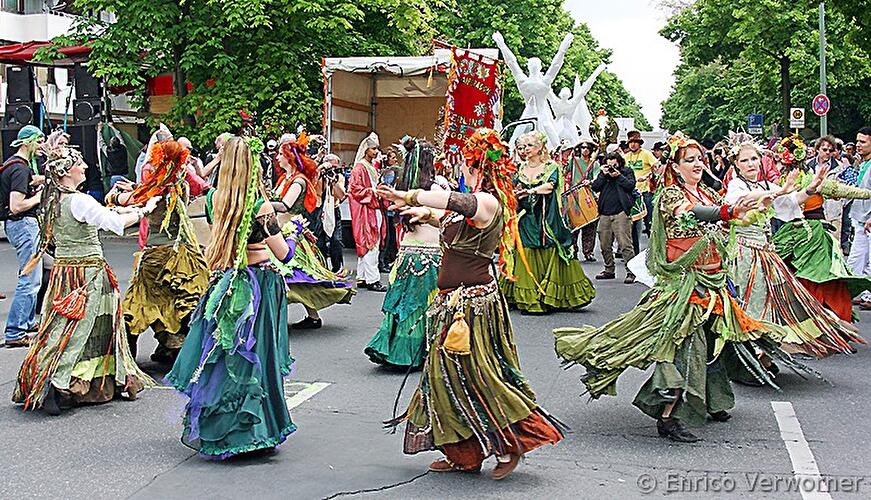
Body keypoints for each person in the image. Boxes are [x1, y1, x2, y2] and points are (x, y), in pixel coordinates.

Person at [554, 132, 796, 443]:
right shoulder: (671, 195)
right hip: (685, 286)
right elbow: (692, 213)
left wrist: (764, 201)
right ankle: (668, 416)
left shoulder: (708, 192)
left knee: (716, 342)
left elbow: (736, 218)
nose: (697, 164)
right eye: (689, 160)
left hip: (713, 281)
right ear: (676, 166)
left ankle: (714, 400)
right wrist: (728, 212)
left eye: (699, 159)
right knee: (686, 348)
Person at [378, 128, 564, 479]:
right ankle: (464, 454)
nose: (460, 168)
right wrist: (424, 215)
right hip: (452, 305)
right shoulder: (476, 204)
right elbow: (453, 219)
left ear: (476, 166)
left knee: (479, 377)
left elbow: (457, 203)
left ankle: (513, 443)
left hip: (470, 309)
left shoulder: (488, 201)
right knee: (445, 379)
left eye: (464, 163)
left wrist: (409, 194)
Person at [166, 136, 299, 459]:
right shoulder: (261, 207)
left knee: (227, 358)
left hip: (225, 283)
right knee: (258, 355)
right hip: (259, 285)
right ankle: (252, 431)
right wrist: (293, 233)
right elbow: (283, 254)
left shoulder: (214, 200)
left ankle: (220, 427)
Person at [13, 146, 157, 414]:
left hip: (64, 272)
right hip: (87, 274)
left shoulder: (53, 199)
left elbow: (101, 216)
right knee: (83, 327)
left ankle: (62, 379)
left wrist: (130, 208)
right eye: (79, 163)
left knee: (62, 327)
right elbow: (113, 223)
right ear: (67, 172)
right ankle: (60, 382)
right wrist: (143, 211)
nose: (86, 167)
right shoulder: (79, 200)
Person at [722, 134, 861, 365]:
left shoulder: (766, 185)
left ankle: (763, 353)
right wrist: (780, 191)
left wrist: (811, 188)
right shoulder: (736, 185)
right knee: (749, 301)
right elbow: (744, 201)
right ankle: (745, 355)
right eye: (744, 160)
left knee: (774, 300)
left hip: (765, 251)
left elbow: (791, 201)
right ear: (736, 164)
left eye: (754, 159)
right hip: (744, 253)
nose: (750, 164)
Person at [111, 135, 210, 363]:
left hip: (157, 254)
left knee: (141, 304)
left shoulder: (155, 187)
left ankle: (161, 346)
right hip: (181, 253)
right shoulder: (181, 182)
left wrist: (114, 195)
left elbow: (131, 200)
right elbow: (203, 187)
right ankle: (173, 345)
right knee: (176, 302)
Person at [771, 134, 871, 323]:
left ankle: (809, 317)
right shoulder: (791, 181)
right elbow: (844, 190)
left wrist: (866, 193)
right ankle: (817, 317)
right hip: (804, 232)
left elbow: (844, 190)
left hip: (805, 231)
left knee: (809, 275)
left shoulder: (788, 181)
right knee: (819, 275)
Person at [365, 141, 441, 369]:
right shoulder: (434, 191)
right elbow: (445, 221)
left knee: (405, 302)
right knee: (423, 304)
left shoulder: (403, 190)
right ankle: (418, 351)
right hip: (428, 254)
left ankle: (397, 347)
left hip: (407, 254)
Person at [501, 131, 595, 313]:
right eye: (523, 147)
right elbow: (512, 187)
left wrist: (530, 191)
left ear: (540, 148)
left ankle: (550, 295)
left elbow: (550, 186)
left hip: (546, 218)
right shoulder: (520, 168)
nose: (525, 150)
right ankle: (529, 297)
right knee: (526, 249)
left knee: (551, 247)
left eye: (529, 146)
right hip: (526, 217)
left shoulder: (551, 167)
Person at [271, 135, 355, 330]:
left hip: (291, 234)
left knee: (295, 276)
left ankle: (277, 317)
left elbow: (285, 205)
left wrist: (260, 204)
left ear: (290, 157)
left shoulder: (298, 181)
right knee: (297, 278)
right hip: (281, 232)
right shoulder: (285, 178)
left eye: (281, 154)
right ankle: (312, 317)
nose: (277, 158)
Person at [1, 125, 45, 347]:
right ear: (28, 143)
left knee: (32, 275)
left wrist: (41, 179)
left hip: (17, 225)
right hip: (23, 224)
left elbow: (27, 181)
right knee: (30, 278)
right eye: (39, 141)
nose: (42, 146)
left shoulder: (14, 165)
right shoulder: (20, 169)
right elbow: (16, 205)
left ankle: (26, 322)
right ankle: (15, 331)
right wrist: (39, 197)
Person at [349, 133, 388, 291]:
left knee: (368, 243)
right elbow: (354, 189)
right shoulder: (360, 168)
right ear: (366, 150)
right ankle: (373, 280)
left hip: (373, 207)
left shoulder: (371, 166)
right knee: (371, 243)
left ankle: (363, 277)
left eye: (377, 148)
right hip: (366, 210)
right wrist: (374, 192)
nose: (376, 151)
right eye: (373, 149)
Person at [591, 152, 636, 283]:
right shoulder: (603, 174)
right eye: (609, 165)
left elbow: (630, 185)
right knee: (604, 244)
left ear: (619, 163)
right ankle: (609, 269)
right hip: (605, 212)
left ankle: (631, 272)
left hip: (621, 212)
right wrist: (603, 174)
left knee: (625, 244)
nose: (611, 168)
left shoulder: (626, 171)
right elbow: (595, 187)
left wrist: (618, 176)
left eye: (614, 165)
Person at [846, 127, 871, 308]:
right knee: (856, 259)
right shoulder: (862, 164)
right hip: (860, 219)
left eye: (863, 141)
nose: (858, 145)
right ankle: (860, 292)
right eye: (857, 141)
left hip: (869, 219)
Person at [569, 141, 600, 261]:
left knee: (590, 224)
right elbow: (564, 171)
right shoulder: (573, 161)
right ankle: (573, 250)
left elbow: (597, 176)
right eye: (583, 147)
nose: (585, 149)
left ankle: (588, 252)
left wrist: (590, 181)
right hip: (574, 196)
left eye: (588, 147)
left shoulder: (594, 163)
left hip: (588, 195)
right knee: (574, 225)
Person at [315, 153, 346, 272]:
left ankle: (337, 268)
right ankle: (321, 268)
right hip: (319, 210)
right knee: (319, 242)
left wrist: (333, 181)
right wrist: (320, 172)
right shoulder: (318, 175)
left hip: (333, 210)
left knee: (336, 241)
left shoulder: (339, 177)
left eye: (335, 167)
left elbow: (341, 195)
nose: (332, 170)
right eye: (330, 167)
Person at [379, 145, 402, 272]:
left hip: (390, 209)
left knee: (390, 236)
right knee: (387, 236)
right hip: (388, 209)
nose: (395, 160)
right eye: (392, 157)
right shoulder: (389, 173)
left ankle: (387, 259)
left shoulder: (390, 172)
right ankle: (384, 260)